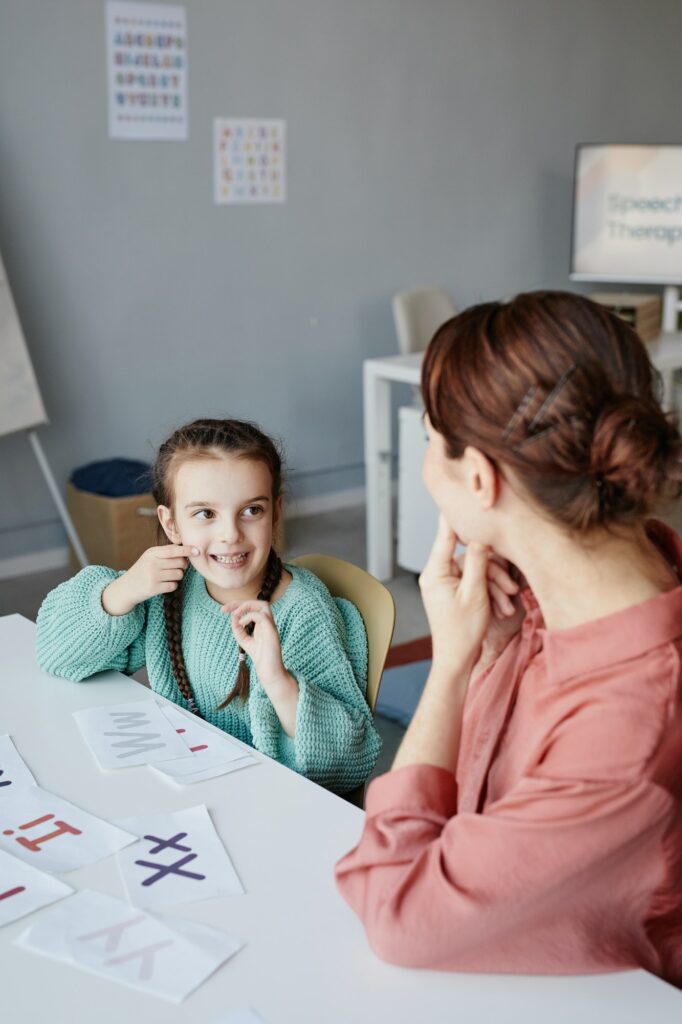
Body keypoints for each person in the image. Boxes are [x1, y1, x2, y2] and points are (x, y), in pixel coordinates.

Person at [335, 291, 682, 987]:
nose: (428, 465)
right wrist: (486, 649)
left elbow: (398, 908)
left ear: (480, 479)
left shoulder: (625, 736)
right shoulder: (568, 587)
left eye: (432, 440)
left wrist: (449, 668)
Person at [37, 418, 380, 793]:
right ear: (171, 524)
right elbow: (57, 655)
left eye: (252, 511)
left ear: (276, 512)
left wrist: (278, 681)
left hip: (266, 804)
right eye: (205, 514)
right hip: (186, 785)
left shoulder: (304, 611)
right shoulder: (171, 589)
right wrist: (123, 591)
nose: (230, 535)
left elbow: (346, 764)